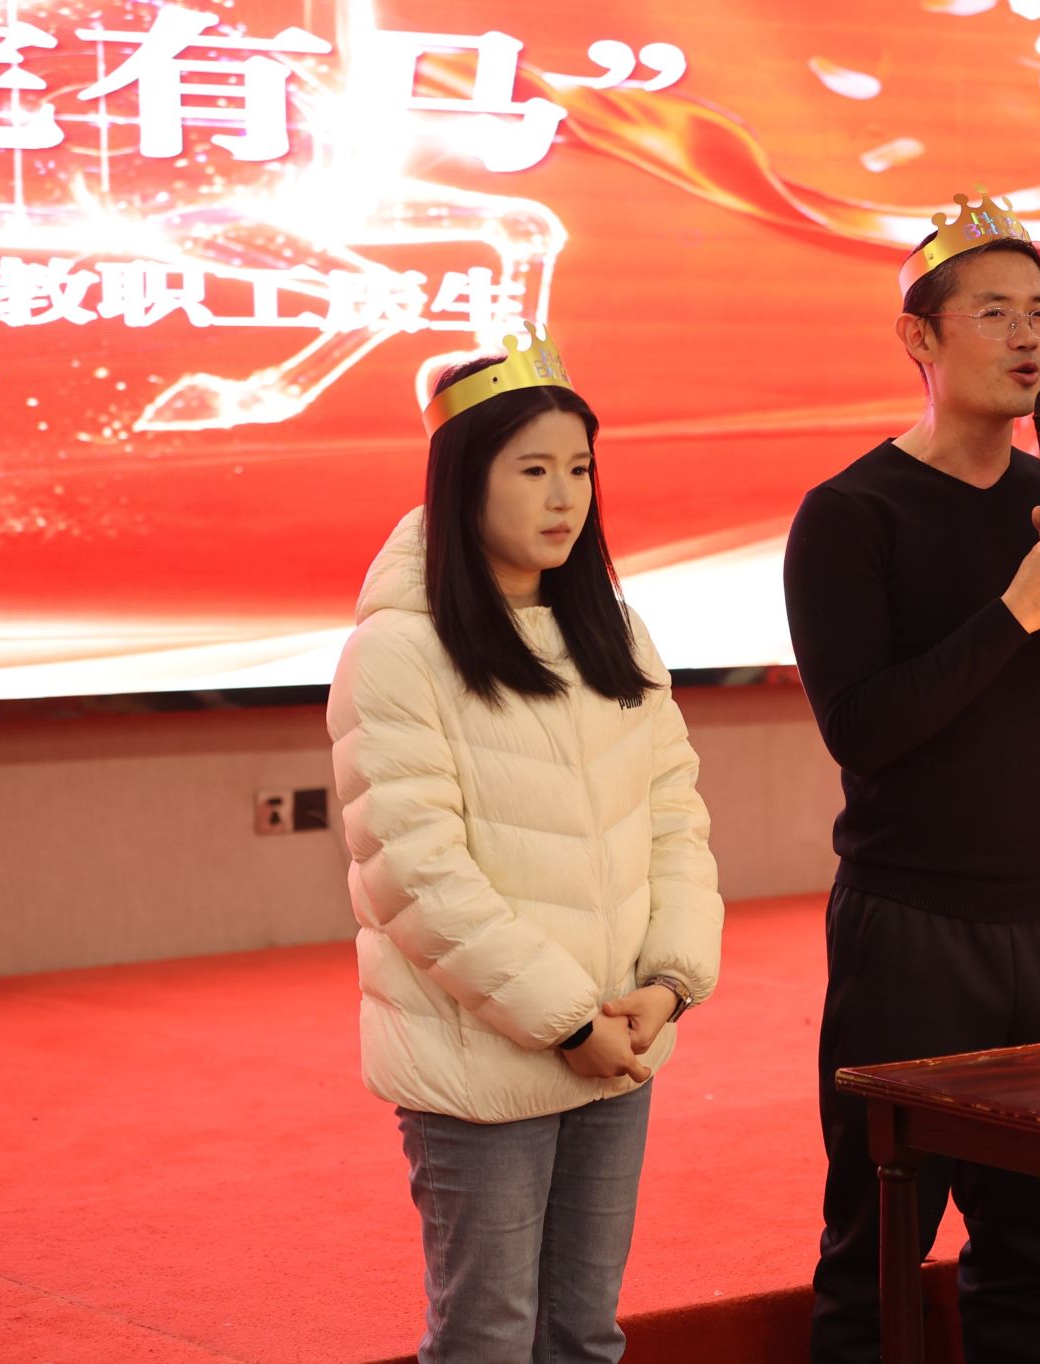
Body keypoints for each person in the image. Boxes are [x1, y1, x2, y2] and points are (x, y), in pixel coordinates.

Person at [783, 193, 1040, 1362]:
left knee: (1036, 1241)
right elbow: (863, 728)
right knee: (878, 1236)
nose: (1027, 334)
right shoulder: (850, 514)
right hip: (909, 922)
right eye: (993, 312)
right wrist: (1012, 611)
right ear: (919, 337)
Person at [327, 327, 724, 1364]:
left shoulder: (615, 632)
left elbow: (675, 818)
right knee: (487, 1339)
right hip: (483, 1056)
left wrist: (668, 983)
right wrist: (565, 1019)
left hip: (619, 1040)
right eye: (533, 469)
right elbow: (416, 876)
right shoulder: (398, 650)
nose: (565, 497)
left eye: (580, 469)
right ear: (465, 482)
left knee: (584, 1335)